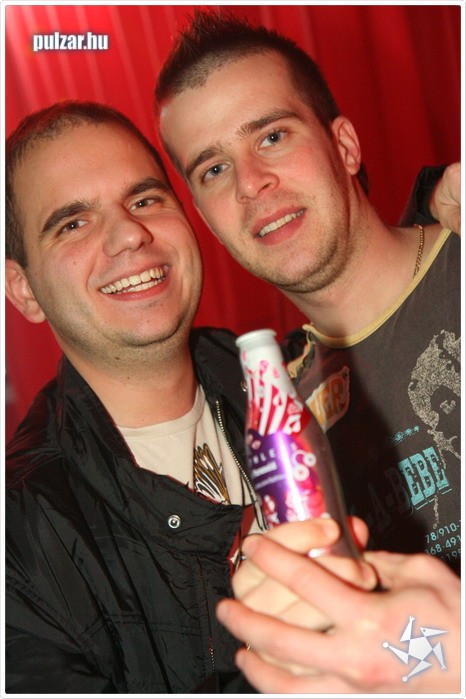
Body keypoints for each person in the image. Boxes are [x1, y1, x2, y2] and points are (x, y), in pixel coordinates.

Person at [154, 10, 461, 693]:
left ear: (344, 145)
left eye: (272, 135)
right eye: (214, 168)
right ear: (206, 219)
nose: (250, 183)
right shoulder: (277, 434)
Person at [4, 100, 271, 694]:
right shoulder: (20, 539)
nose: (130, 234)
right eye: (72, 224)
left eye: (145, 200)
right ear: (23, 290)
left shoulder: (296, 380)